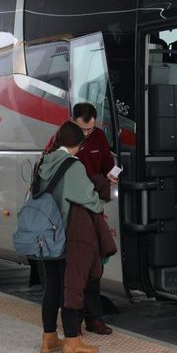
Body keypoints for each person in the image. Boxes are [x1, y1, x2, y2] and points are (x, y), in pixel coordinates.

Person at [33, 102, 117, 334]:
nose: (86, 137)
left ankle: (49, 336)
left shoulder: (44, 160)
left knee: (54, 285)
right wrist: (96, 194)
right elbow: (86, 198)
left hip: (49, 229)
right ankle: (72, 337)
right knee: (75, 280)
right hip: (72, 226)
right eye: (83, 133)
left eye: (90, 130)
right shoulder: (72, 165)